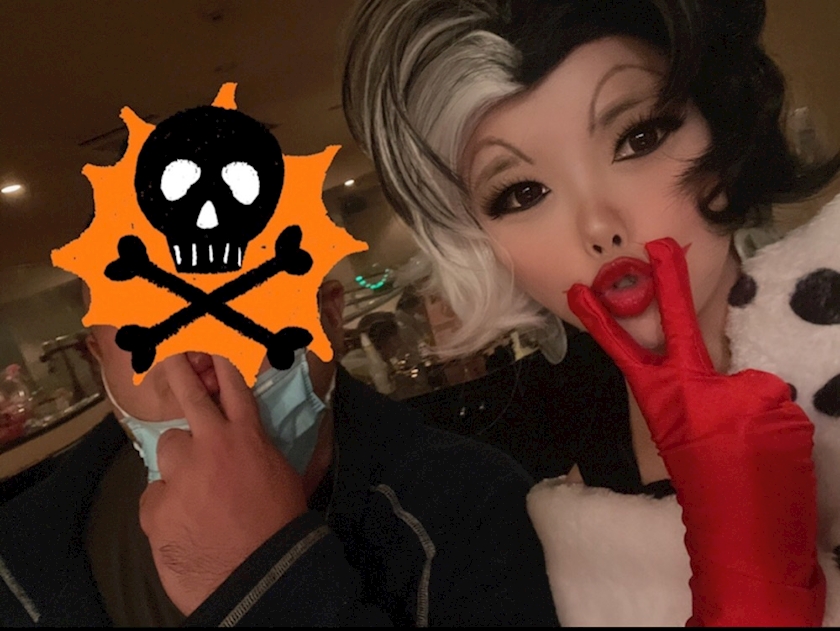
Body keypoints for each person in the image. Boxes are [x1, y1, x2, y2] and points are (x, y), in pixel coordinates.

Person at [342, 0, 840, 625]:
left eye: (640, 137)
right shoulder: (547, 465)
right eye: (522, 193)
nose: (599, 227)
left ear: (721, 124)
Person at [0, 279, 558, 626]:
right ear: (98, 356)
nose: (192, 339)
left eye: (239, 284)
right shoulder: (18, 562)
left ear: (330, 316)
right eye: (139, 302)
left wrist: (261, 585)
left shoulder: (473, 508)